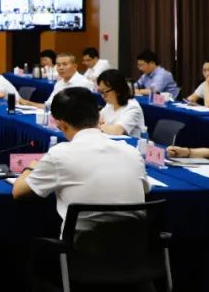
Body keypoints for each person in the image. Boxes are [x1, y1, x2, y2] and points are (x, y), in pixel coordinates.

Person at [12, 87, 150, 231]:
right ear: (99, 117)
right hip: (136, 243)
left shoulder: (59, 155)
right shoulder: (132, 152)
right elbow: (145, 190)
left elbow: (18, 192)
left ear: (61, 125)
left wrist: (31, 167)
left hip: (82, 243)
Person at [20, 53, 95, 109]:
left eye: (65, 64)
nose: (61, 68)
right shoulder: (59, 84)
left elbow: (81, 110)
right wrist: (29, 104)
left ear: (75, 66)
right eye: (58, 65)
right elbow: (49, 106)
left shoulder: (83, 83)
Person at [96, 69, 145, 137]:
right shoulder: (110, 103)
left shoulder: (133, 107)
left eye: (104, 92)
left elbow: (117, 131)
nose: (102, 96)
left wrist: (98, 126)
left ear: (118, 90)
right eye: (100, 92)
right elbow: (96, 119)